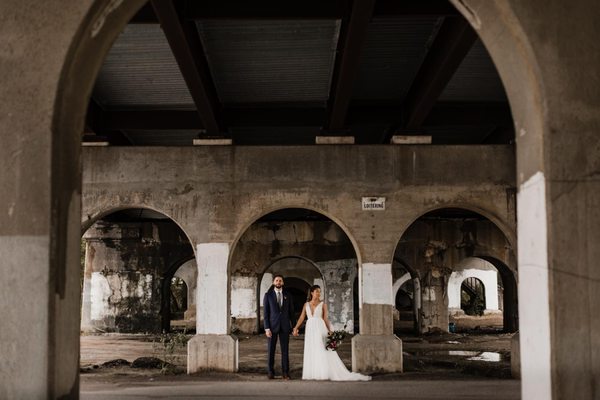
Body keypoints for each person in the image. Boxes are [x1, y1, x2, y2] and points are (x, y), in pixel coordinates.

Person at [292, 285, 371, 381]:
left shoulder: (323, 304)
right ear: (312, 293)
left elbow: (325, 319)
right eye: (317, 291)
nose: (319, 293)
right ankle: (314, 372)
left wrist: (330, 330)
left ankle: (323, 372)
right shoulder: (306, 305)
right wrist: (296, 328)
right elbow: (301, 317)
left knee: (322, 348)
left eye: (319, 291)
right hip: (310, 328)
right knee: (312, 349)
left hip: (320, 327)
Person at [263, 274, 295, 380]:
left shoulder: (288, 295)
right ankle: (270, 372)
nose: (278, 282)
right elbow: (266, 313)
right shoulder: (268, 295)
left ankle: (285, 372)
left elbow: (291, 312)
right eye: (276, 280)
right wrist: (267, 328)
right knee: (271, 350)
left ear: (283, 283)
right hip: (272, 327)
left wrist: (294, 326)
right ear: (273, 282)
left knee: (285, 351)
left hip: (285, 327)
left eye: (280, 281)